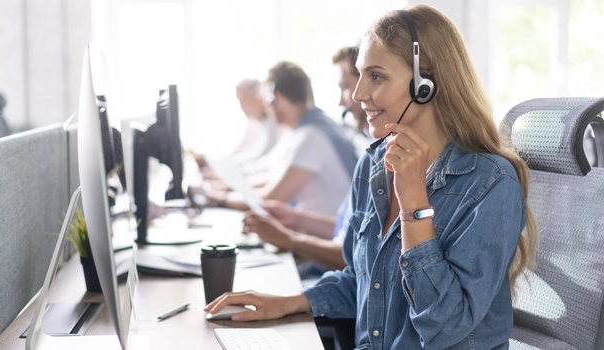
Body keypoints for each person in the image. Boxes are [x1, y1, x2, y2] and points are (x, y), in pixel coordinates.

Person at [205, 5, 539, 349]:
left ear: (426, 83)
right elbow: (362, 282)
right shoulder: (374, 165)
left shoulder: (489, 184)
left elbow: (446, 325)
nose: (358, 94)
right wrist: (288, 302)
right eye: (360, 75)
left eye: (376, 77)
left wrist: (414, 208)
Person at [242, 46, 374, 277]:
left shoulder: (313, 135)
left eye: (344, 86)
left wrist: (291, 239)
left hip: (328, 262)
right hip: (327, 254)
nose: (345, 103)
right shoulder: (369, 153)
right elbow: (350, 232)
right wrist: (294, 218)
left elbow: (355, 255)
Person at [208, 62, 358, 216]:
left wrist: (219, 198)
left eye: (266, 99)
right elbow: (273, 178)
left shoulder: (310, 136)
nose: (265, 106)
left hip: (324, 235)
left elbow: (271, 199)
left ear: (277, 99)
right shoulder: (312, 127)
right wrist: (226, 185)